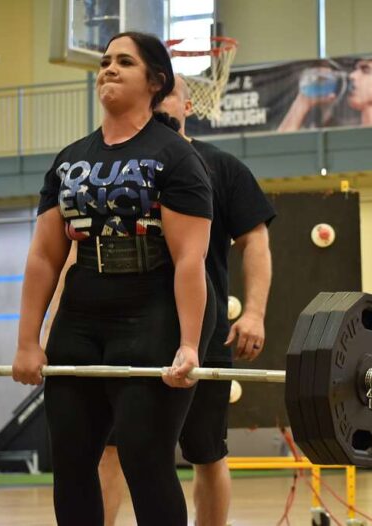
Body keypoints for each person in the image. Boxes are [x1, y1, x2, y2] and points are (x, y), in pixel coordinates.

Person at [11, 32, 216, 526]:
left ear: (155, 81)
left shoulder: (176, 157)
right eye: (105, 61)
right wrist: (27, 342)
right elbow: (44, 257)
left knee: (144, 457)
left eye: (125, 62)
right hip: (82, 314)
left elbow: (190, 259)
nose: (109, 69)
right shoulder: (69, 160)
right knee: (71, 460)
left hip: (153, 312)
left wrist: (189, 344)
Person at [99, 74, 276, 526]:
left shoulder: (223, 168)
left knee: (206, 451)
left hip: (203, 332)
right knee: (112, 448)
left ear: (188, 106)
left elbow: (255, 241)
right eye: (152, 95)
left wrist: (254, 314)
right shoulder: (114, 168)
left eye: (169, 95)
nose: (160, 103)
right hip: (127, 333)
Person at [278, 58, 372, 132]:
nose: (352, 76)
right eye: (355, 70)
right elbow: (277, 155)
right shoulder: (344, 138)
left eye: (365, 70)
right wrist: (302, 102)